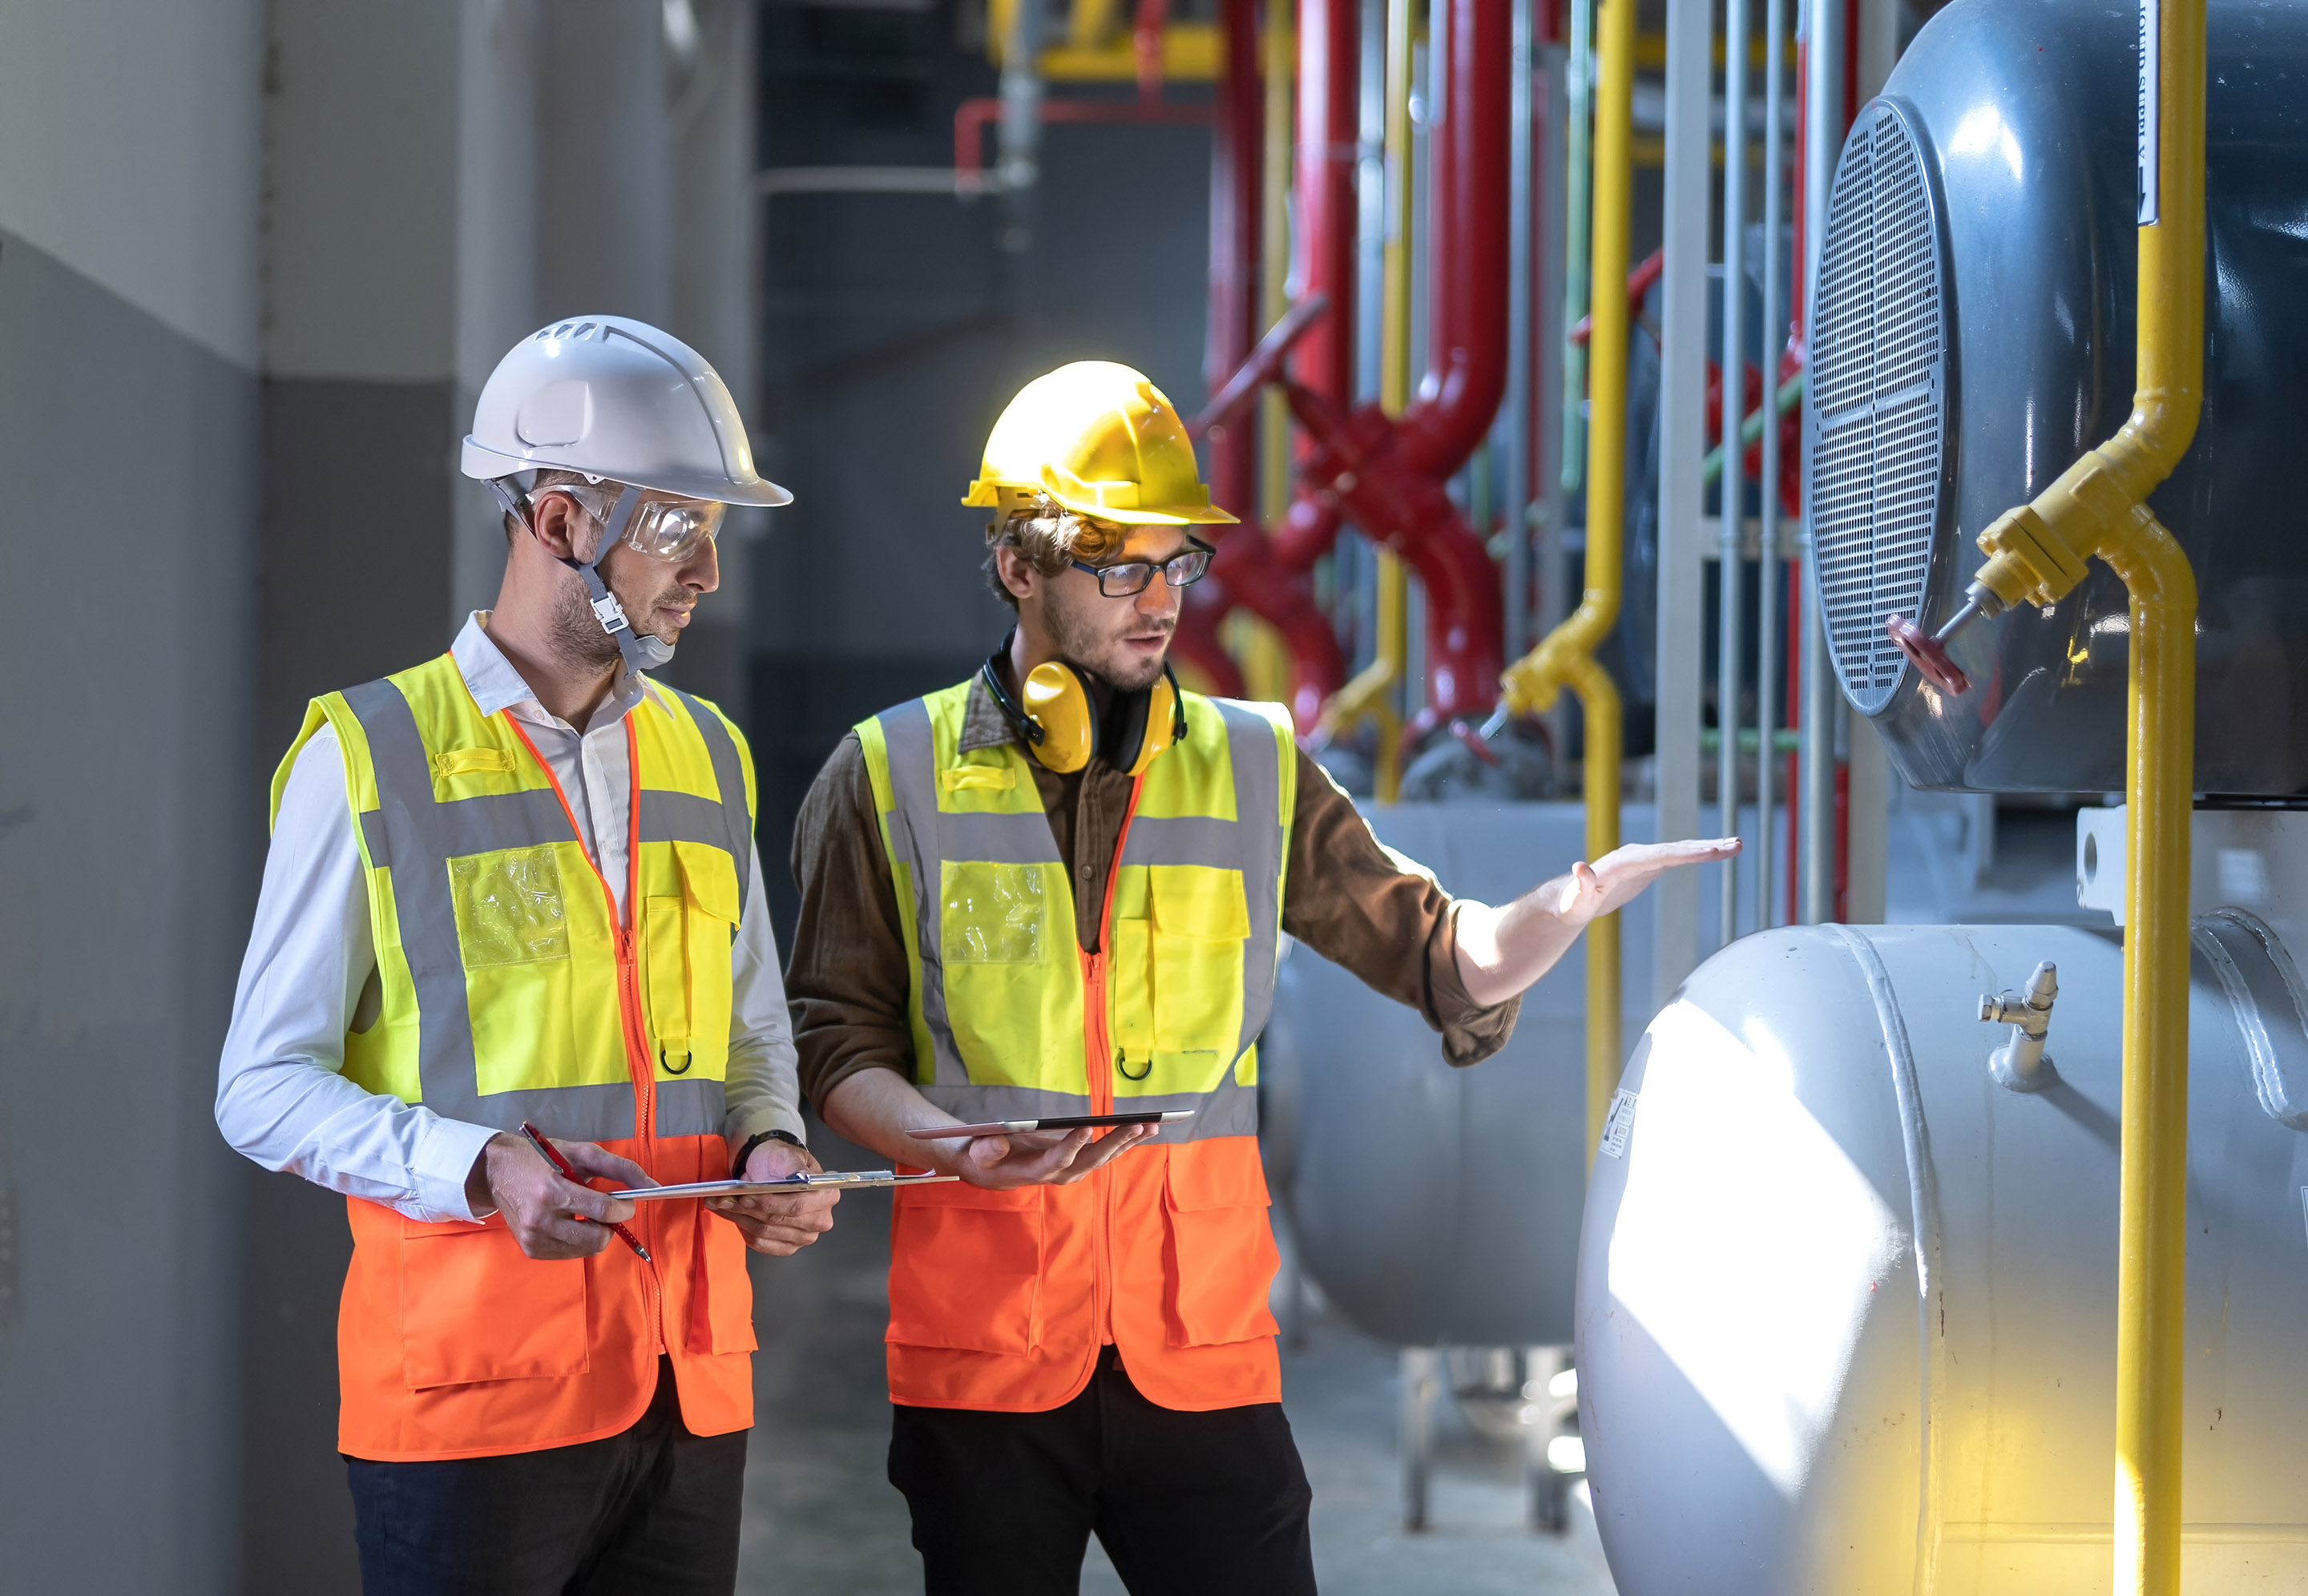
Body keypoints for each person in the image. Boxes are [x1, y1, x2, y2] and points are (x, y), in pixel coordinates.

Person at [785, 359, 1738, 1595]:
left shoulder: (1252, 767)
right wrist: (949, 1143)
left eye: (1176, 562)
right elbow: (834, 1045)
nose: (1158, 599)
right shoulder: (884, 775)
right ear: (1019, 566)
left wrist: (1556, 910)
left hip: (1202, 1353)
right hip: (987, 1355)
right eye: (1117, 563)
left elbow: (1439, 958)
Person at [216, 316, 838, 1595]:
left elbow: (751, 1030)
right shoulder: (369, 757)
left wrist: (770, 1141)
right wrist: (481, 1168)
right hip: (470, 1409)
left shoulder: (707, 752)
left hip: (686, 1388)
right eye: (680, 528)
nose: (708, 572)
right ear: (559, 521)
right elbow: (258, 1087)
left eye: (716, 531)